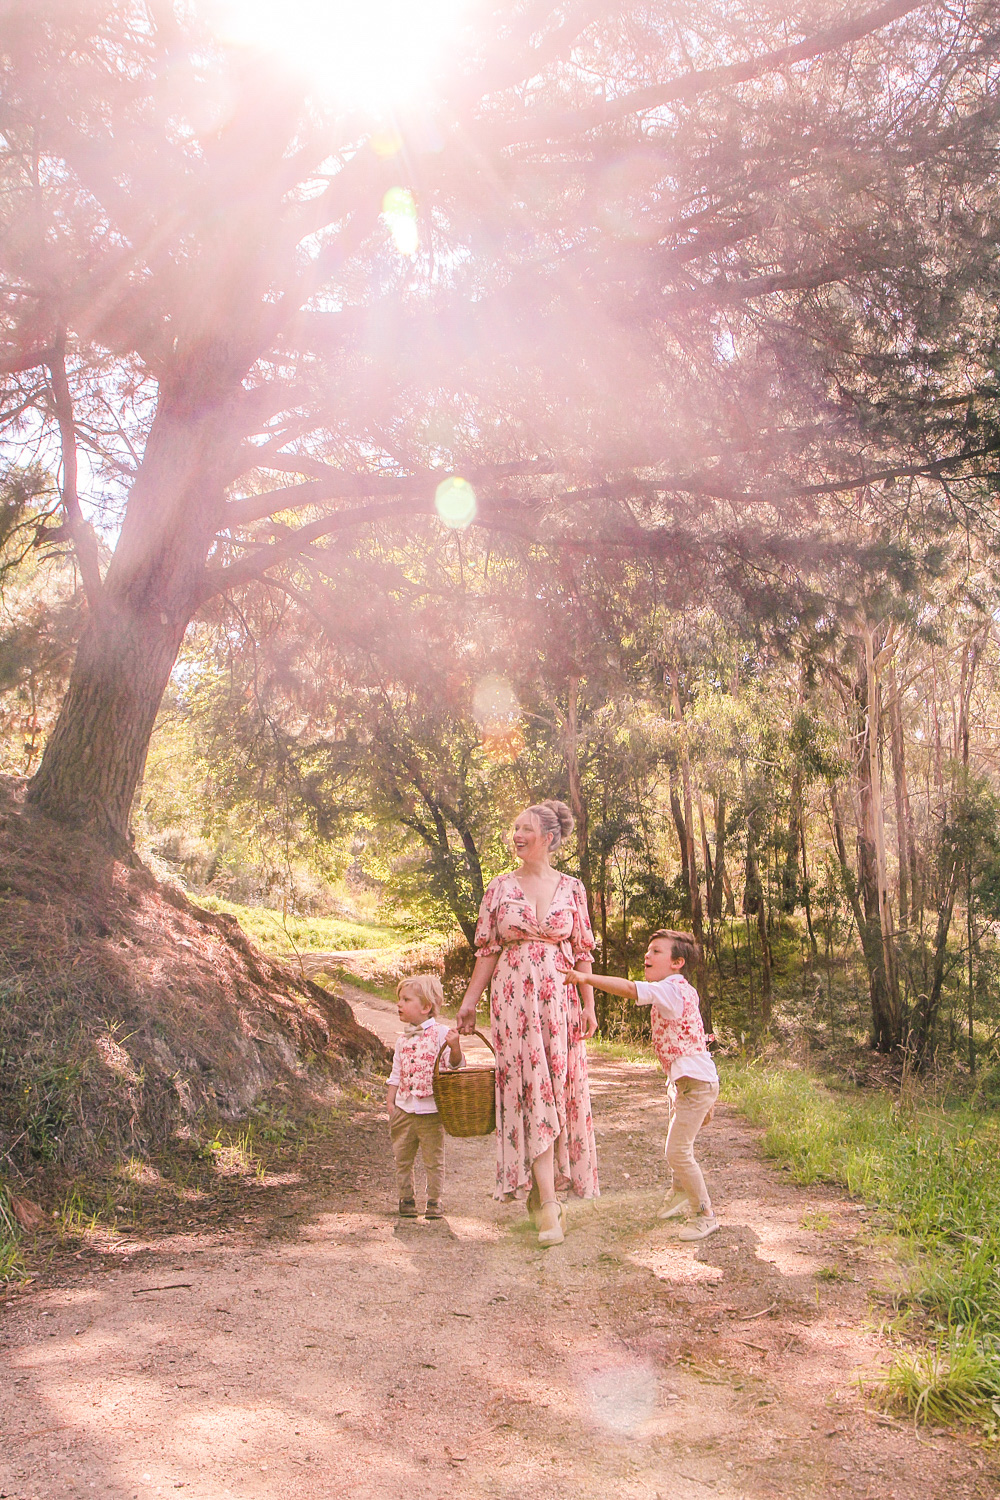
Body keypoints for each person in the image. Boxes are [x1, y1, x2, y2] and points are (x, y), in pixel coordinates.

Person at [456, 799, 599, 1248]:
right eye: (513, 828)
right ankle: (551, 1206)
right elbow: (487, 952)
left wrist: (589, 1003)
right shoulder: (499, 887)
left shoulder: (572, 888)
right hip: (514, 1002)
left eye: (526, 829)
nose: (516, 835)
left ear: (550, 838)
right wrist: (469, 1001)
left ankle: (543, 1191)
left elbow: (582, 952)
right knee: (530, 1090)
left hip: (559, 1002)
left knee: (557, 1090)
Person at [566, 928, 720, 1241]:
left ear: (677, 962)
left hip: (696, 1085)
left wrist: (584, 978)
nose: (647, 956)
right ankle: (679, 1193)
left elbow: (627, 988)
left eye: (656, 951)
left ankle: (704, 1213)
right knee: (679, 1146)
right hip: (688, 1083)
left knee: (677, 1152)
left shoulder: (671, 989)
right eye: (647, 951)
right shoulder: (677, 988)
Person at [387, 974, 463, 1220]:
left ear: (426, 1007)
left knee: (433, 1159)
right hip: (404, 1109)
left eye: (406, 999)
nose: (399, 1004)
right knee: (402, 1157)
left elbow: (454, 1066)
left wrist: (455, 1047)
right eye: (399, 999)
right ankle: (406, 1197)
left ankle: (434, 1200)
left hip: (431, 1110)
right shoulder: (402, 1040)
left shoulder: (441, 1034)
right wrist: (391, 1102)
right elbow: (396, 1073)